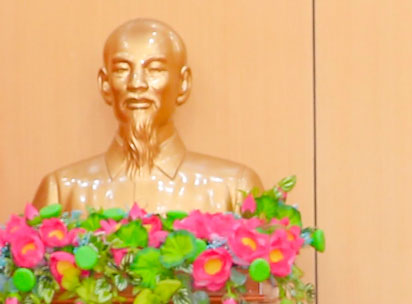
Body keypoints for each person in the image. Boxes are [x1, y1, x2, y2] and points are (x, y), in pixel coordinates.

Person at [33, 18, 261, 214]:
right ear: (105, 84)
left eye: (155, 69)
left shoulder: (234, 188)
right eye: (122, 70)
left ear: (183, 83)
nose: (137, 84)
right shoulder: (62, 191)